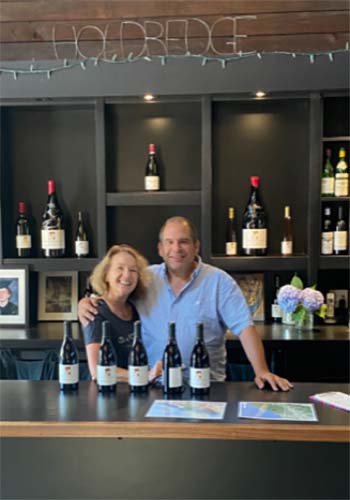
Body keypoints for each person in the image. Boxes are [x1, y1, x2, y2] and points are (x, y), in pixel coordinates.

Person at [79, 217, 292, 391]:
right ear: (160, 248)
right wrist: (86, 302)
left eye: (183, 241)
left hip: (206, 387)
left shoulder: (219, 282)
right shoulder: (146, 279)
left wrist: (261, 370)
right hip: (154, 387)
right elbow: (116, 293)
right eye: (169, 242)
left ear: (196, 246)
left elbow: (245, 328)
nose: (176, 248)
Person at [81, 244, 150, 382]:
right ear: (106, 274)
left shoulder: (136, 309)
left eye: (133, 270)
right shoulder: (94, 311)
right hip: (109, 394)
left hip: (139, 390)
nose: (127, 275)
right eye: (120, 268)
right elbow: (97, 370)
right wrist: (144, 376)